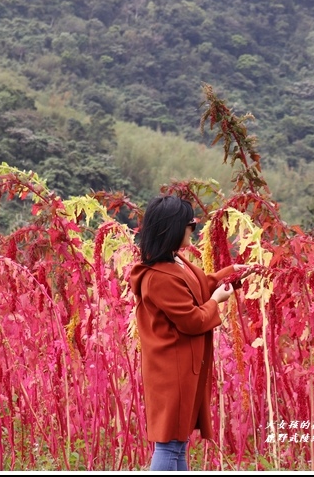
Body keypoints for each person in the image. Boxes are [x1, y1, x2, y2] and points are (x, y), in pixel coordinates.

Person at [130, 195, 252, 471]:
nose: (193, 230)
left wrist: (234, 274)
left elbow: (200, 285)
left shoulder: (175, 262)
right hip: (172, 373)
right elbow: (192, 320)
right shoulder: (159, 276)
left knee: (178, 443)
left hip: (183, 368)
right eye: (190, 225)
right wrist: (216, 301)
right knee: (170, 443)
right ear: (173, 228)